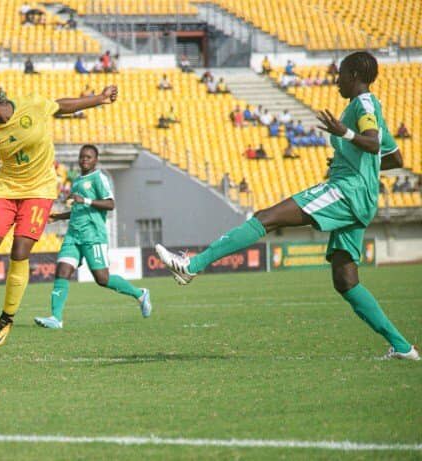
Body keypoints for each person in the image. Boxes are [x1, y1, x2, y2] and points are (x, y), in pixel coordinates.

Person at [155, 51, 418, 361]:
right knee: (345, 280)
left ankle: (192, 267)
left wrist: (344, 135)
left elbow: (372, 142)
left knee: (267, 217)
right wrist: (350, 156)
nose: (336, 81)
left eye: (341, 75)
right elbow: (394, 158)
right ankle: (403, 347)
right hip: (360, 196)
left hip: (347, 192)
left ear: (354, 75)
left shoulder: (362, 104)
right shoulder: (368, 105)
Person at [0, 82, 118, 347]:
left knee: (19, 252)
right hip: (7, 189)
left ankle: (7, 317)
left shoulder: (31, 105)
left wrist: (99, 99)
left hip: (39, 191)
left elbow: (62, 106)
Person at [34, 145, 151, 329]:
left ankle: (140, 294)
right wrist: (57, 217)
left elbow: (110, 204)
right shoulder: (77, 181)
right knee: (62, 271)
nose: (84, 160)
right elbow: (78, 209)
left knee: (102, 278)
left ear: (96, 160)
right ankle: (56, 318)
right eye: (82, 157)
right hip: (73, 235)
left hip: (93, 236)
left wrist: (86, 200)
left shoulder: (99, 179)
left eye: (88, 157)